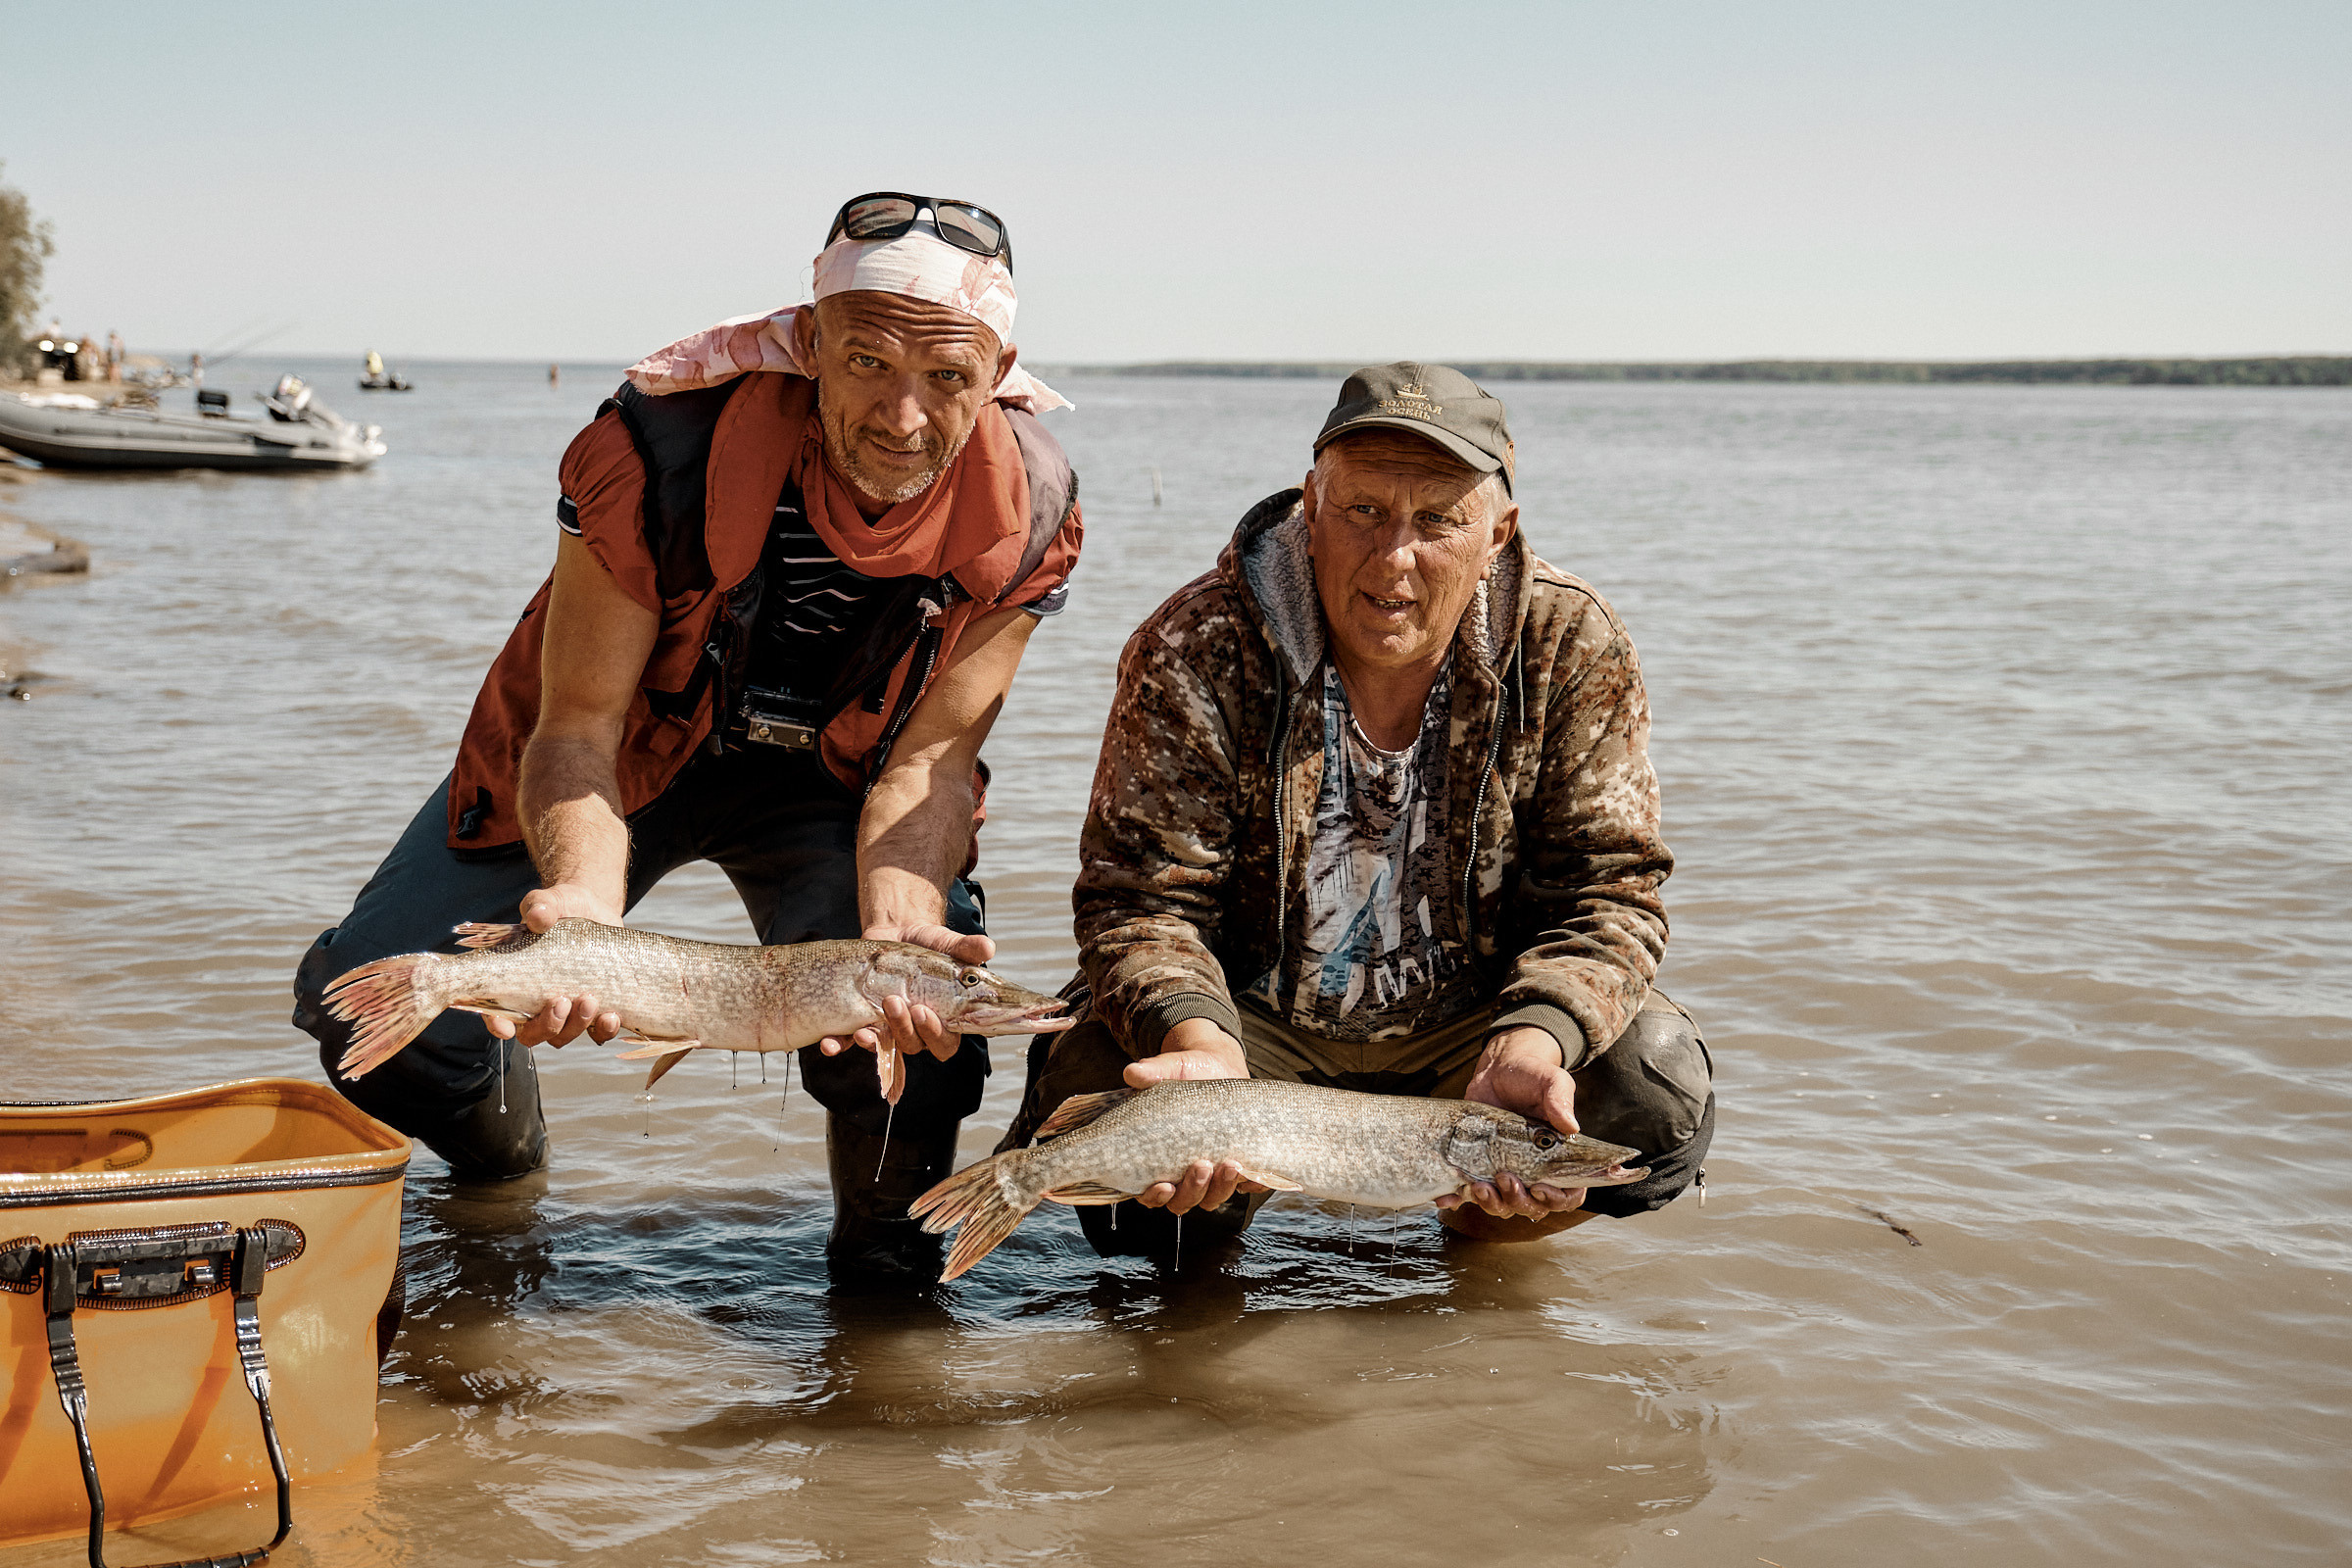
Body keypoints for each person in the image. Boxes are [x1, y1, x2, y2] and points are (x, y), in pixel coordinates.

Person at [294, 193, 1083, 1281]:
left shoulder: (1032, 510)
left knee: (928, 1054)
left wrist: (897, 939)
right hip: (626, 750)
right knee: (369, 1010)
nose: (905, 417)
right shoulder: (655, 446)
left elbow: (932, 761)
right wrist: (579, 911)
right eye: (867, 364)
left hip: (839, 785)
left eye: (948, 377)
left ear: (996, 373)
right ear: (810, 345)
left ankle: (882, 1290)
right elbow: (576, 726)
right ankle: (500, 1164)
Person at [1008, 363, 1711, 1255]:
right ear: (1309, 510)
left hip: (1474, 1026)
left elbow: (1611, 894)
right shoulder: (1197, 643)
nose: (1395, 558)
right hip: (1252, 1032)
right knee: (1110, 1107)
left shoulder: (1571, 643)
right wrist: (1200, 1051)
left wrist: (1535, 1040)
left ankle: (1479, 1235)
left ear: (1498, 535)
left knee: (1652, 1090)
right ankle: (1190, 1303)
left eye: (1438, 521)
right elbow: (1140, 902)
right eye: (1363, 511)